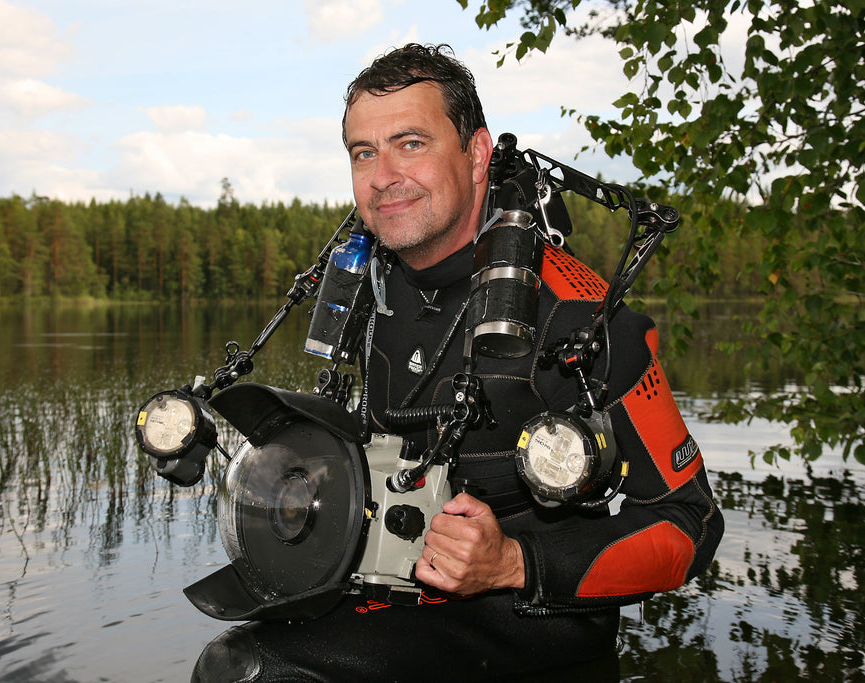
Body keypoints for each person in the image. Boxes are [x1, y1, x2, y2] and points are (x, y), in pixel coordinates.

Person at [193, 43, 723, 682]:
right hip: (389, 603)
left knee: (253, 670)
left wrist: (514, 562)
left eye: (409, 142)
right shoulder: (369, 292)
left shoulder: (578, 315)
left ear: (476, 154)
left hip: (531, 630)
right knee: (234, 661)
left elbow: (691, 525)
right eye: (364, 152)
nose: (383, 174)